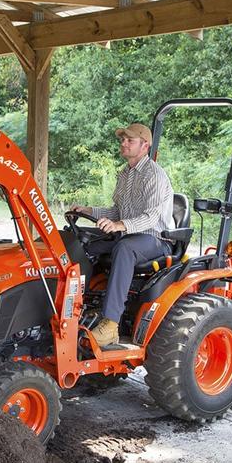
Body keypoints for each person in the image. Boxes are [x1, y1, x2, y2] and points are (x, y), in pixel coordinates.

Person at [71, 123, 174, 347]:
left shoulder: (154, 175)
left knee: (124, 249)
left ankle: (110, 324)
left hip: (155, 239)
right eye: (123, 139)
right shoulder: (125, 173)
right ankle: (75, 309)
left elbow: (152, 217)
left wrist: (119, 225)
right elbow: (117, 211)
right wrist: (89, 211)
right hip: (129, 234)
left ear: (145, 146)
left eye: (130, 140)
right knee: (82, 242)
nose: (123, 143)